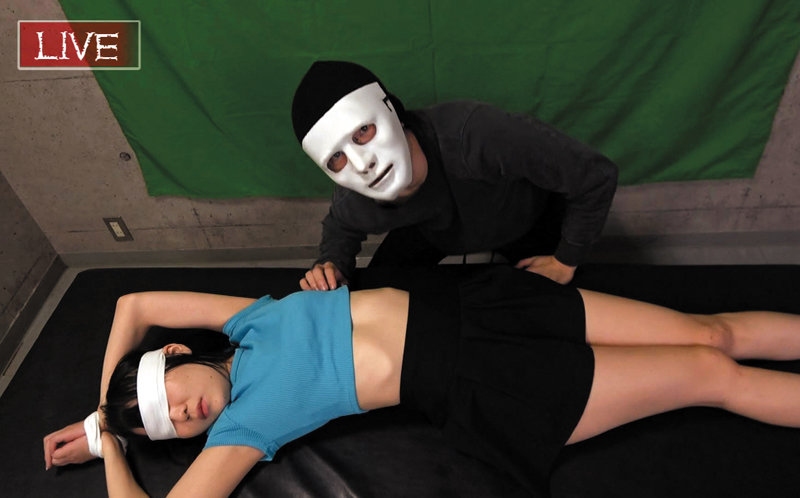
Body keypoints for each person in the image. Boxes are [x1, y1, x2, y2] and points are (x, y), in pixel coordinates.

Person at [43, 266, 800, 496]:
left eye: (168, 395)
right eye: (174, 424)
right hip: (489, 380)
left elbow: (132, 304)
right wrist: (110, 435)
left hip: (487, 306)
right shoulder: (244, 428)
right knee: (710, 372)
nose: (185, 413)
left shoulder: (249, 319)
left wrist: (106, 397)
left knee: (712, 331)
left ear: (176, 353)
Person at [291, 61, 618, 290]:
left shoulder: (476, 136)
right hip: (433, 230)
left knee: (571, 302)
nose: (362, 164)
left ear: (392, 110)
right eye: (336, 157)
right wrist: (332, 265)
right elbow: (341, 225)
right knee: (376, 293)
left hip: (523, 218)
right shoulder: (356, 199)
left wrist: (566, 259)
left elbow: (594, 175)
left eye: (363, 131)